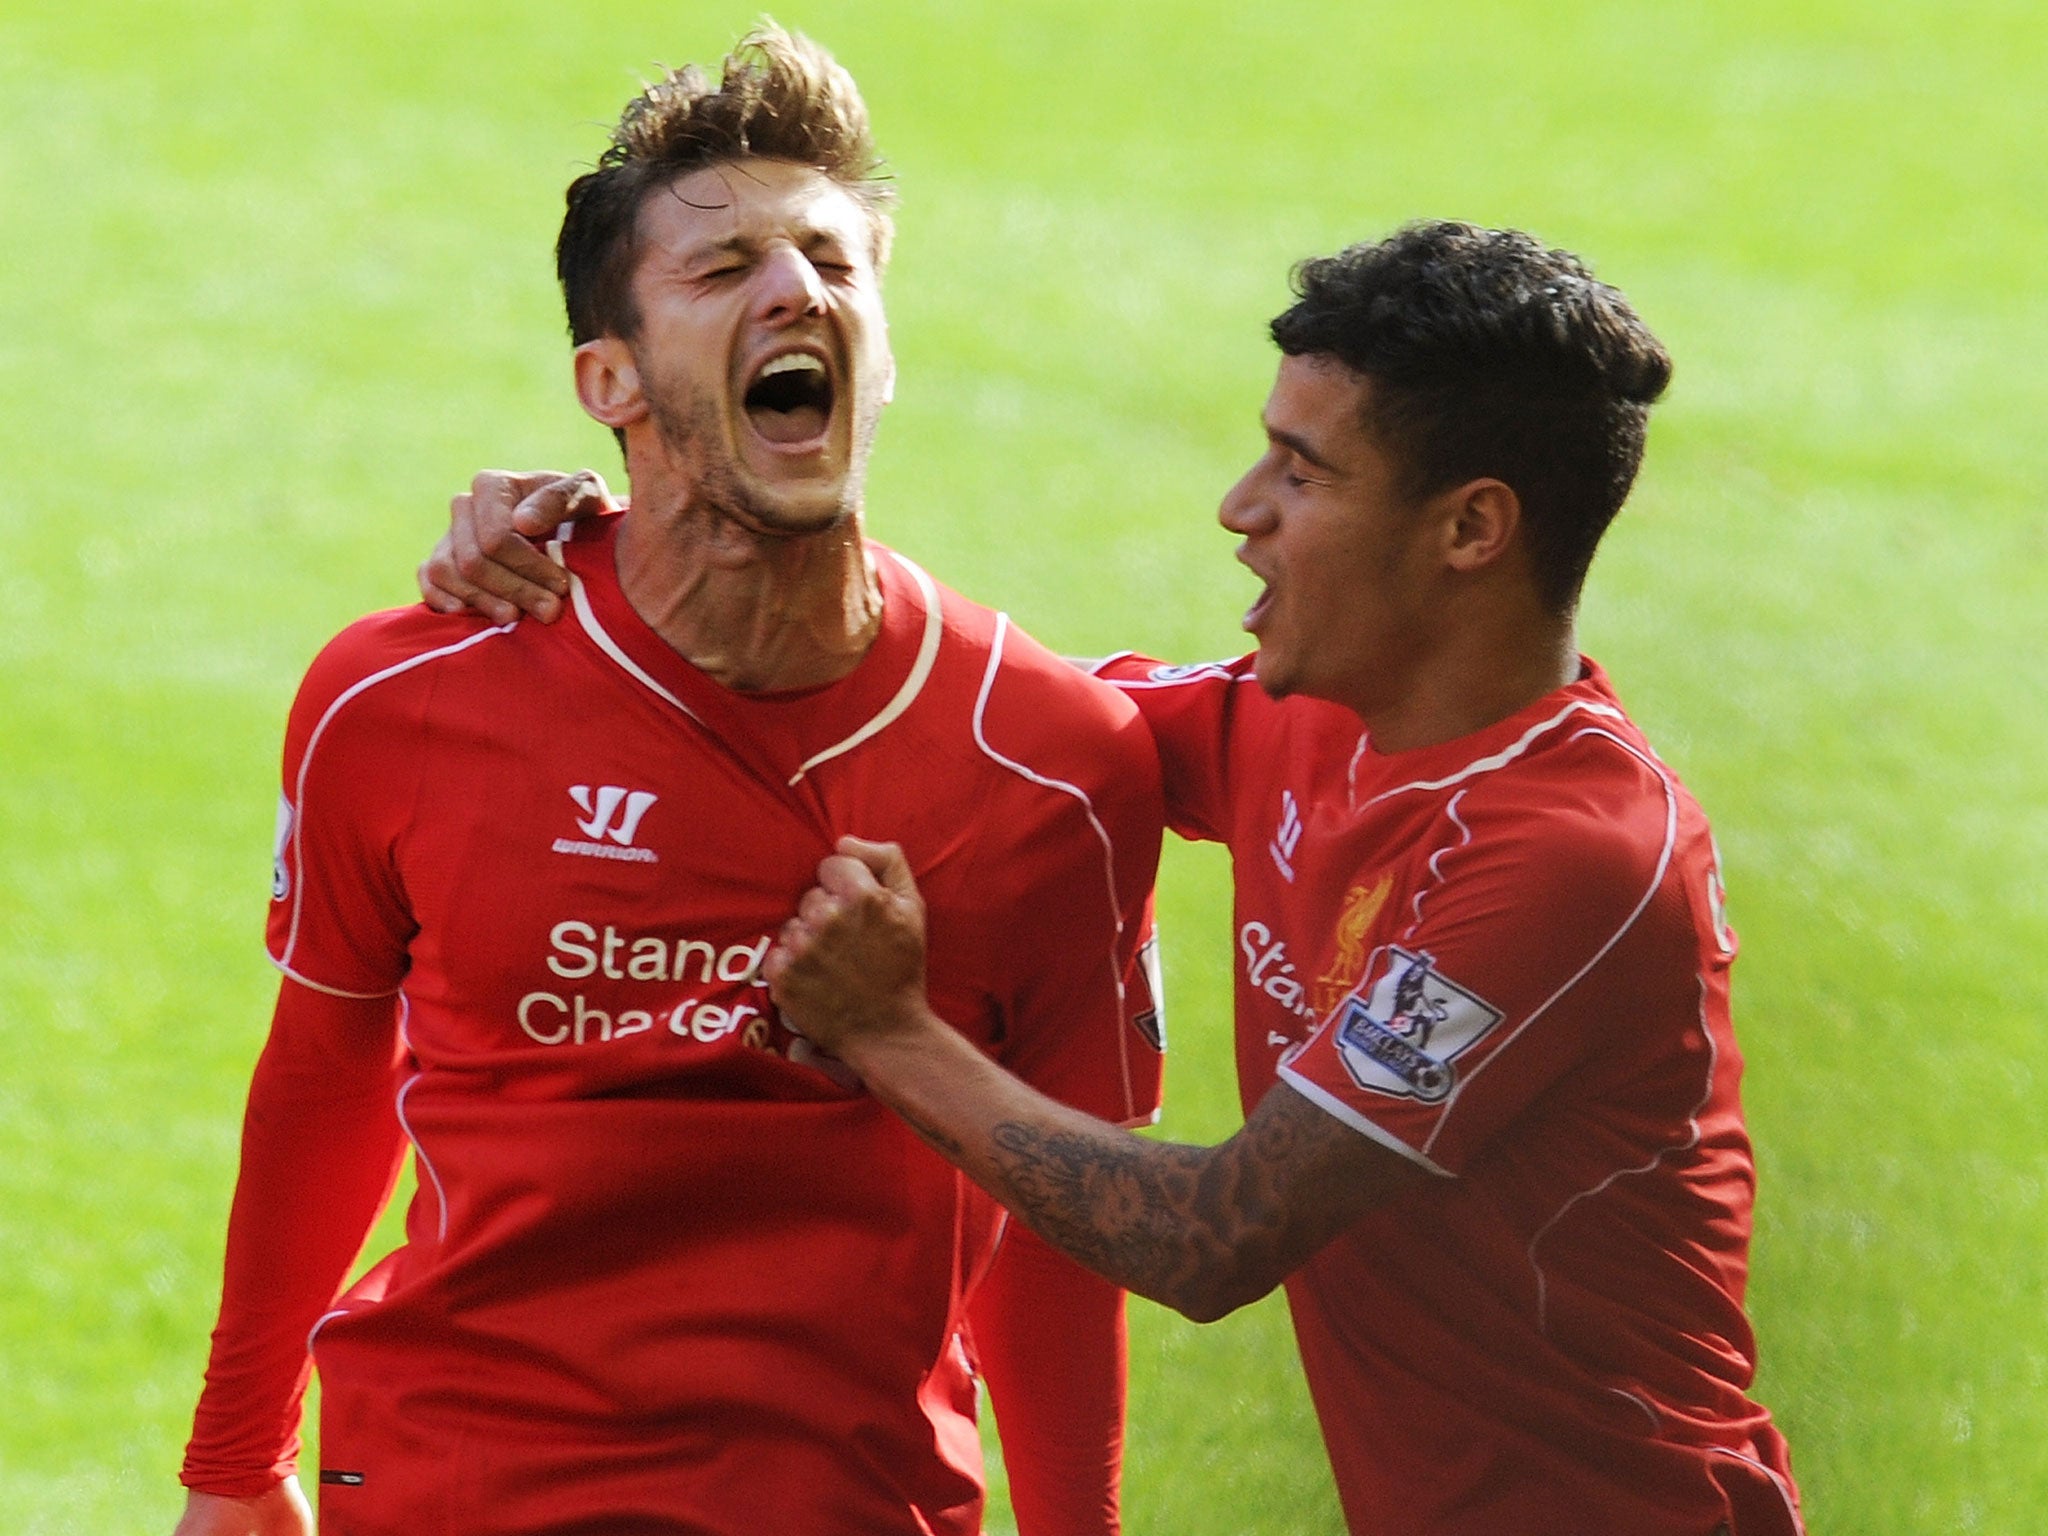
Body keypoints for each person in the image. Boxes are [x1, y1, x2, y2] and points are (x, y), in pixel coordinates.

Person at [174, 26, 1166, 1536]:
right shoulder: (397, 698)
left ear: (881, 345)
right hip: (452, 1480)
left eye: (836, 265)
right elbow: (321, 1082)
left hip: (845, 1501)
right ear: (609, 380)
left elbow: (1069, 1221)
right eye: (724, 273)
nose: (796, 294)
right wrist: (236, 1465)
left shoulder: (1053, 762)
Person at [755, 222, 1807, 1534]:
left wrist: (889, 1033)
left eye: (1302, 475)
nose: (1240, 507)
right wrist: (618, 561)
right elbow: (984, 726)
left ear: (1471, 527)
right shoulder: (1301, 720)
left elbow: (1218, 1236)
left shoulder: (1570, 857)